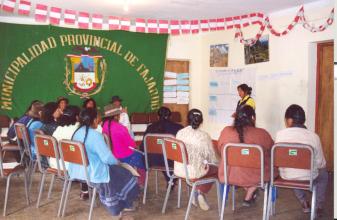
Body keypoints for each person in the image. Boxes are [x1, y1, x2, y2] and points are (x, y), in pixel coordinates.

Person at [68, 108, 139, 217]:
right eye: (99, 118)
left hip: (77, 171)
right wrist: (118, 162)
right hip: (92, 174)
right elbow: (107, 159)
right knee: (126, 174)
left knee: (117, 173)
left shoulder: (76, 132)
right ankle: (122, 204)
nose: (100, 121)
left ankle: (120, 201)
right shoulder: (95, 135)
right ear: (94, 120)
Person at [217, 105, 275, 207]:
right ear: (253, 118)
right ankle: (251, 190)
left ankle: (249, 191)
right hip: (257, 176)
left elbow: (220, 150)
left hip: (230, 175)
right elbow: (273, 152)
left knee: (242, 171)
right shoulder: (262, 134)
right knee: (271, 168)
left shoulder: (226, 131)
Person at [275, 104, 327, 216]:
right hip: (309, 176)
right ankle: (318, 206)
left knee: (292, 169)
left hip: (286, 176)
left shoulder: (280, 135)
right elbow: (320, 163)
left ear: (289, 120)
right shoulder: (314, 137)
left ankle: (304, 202)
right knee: (324, 174)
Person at [174, 109, 218, 211]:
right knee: (216, 169)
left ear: (187, 119)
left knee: (202, 166)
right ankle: (200, 192)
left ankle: (195, 193)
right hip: (193, 173)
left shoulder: (179, 133)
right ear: (201, 121)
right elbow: (211, 158)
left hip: (179, 169)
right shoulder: (204, 135)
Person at [102, 104, 146, 186]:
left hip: (111, 156)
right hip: (124, 157)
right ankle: (141, 182)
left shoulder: (104, 126)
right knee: (142, 157)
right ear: (116, 116)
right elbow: (132, 145)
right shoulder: (120, 128)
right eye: (119, 115)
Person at [140, 106, 183, 186]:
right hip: (171, 161)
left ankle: (170, 179)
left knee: (161, 155)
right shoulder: (178, 128)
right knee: (171, 156)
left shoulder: (150, 128)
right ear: (170, 116)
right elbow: (182, 147)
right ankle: (171, 178)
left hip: (152, 161)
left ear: (157, 116)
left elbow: (142, 147)